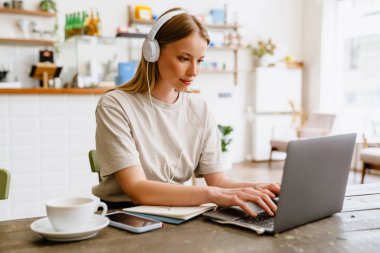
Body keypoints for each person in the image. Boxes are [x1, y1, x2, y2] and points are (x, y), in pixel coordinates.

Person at [92, 8, 280, 217]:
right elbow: (137, 189)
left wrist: (260, 188)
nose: (194, 71)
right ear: (152, 52)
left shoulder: (200, 109)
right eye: (184, 58)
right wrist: (212, 194)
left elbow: (218, 181)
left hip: (175, 213)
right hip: (126, 216)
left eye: (199, 60)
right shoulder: (115, 105)